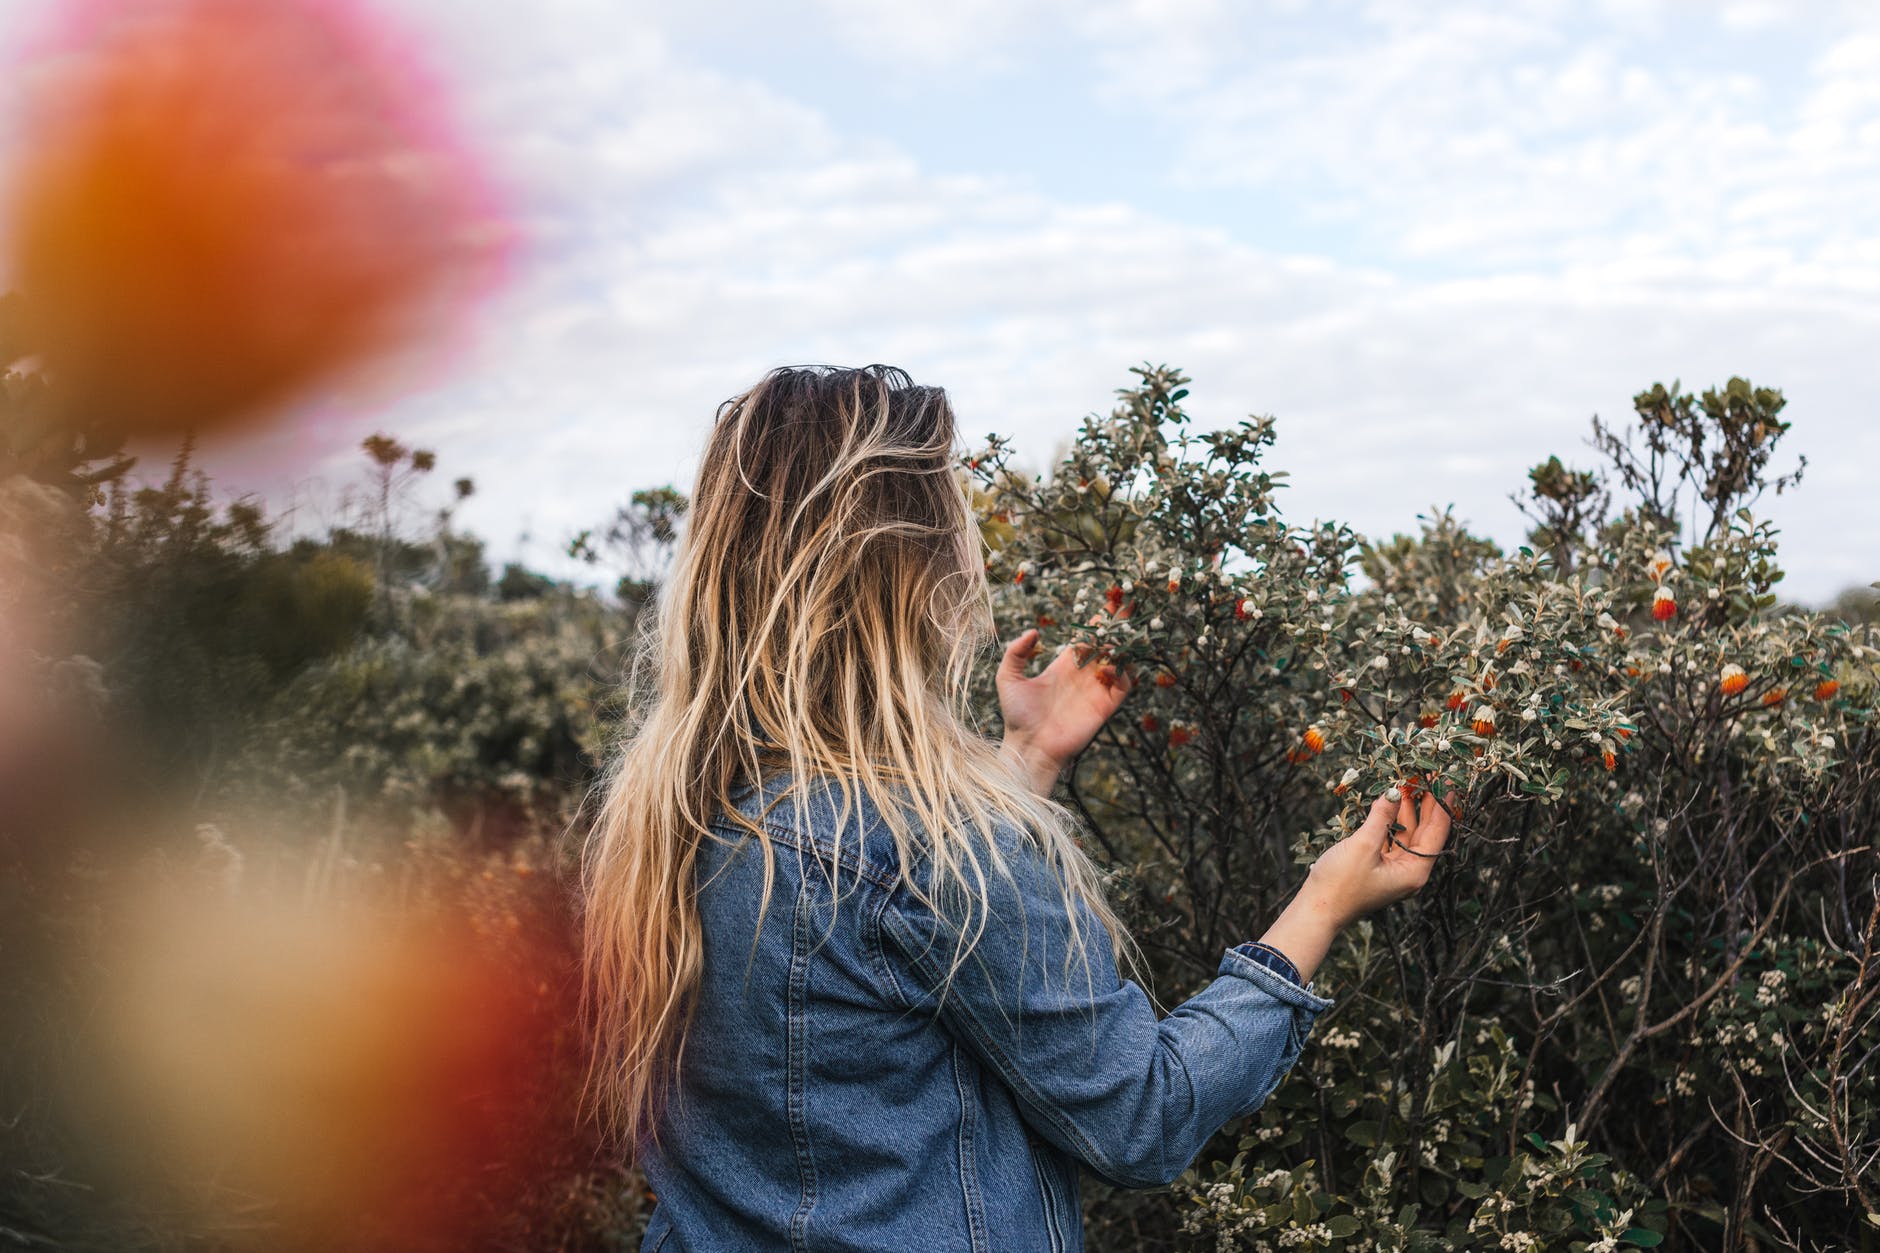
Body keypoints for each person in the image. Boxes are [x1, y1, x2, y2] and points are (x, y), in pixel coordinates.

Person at [580, 365, 1451, 1252]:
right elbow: (1142, 1115)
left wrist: (1025, 757)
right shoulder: (929, 843)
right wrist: (1323, 902)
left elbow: (868, 991)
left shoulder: (672, 816)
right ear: (902, 569)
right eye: (950, 512)